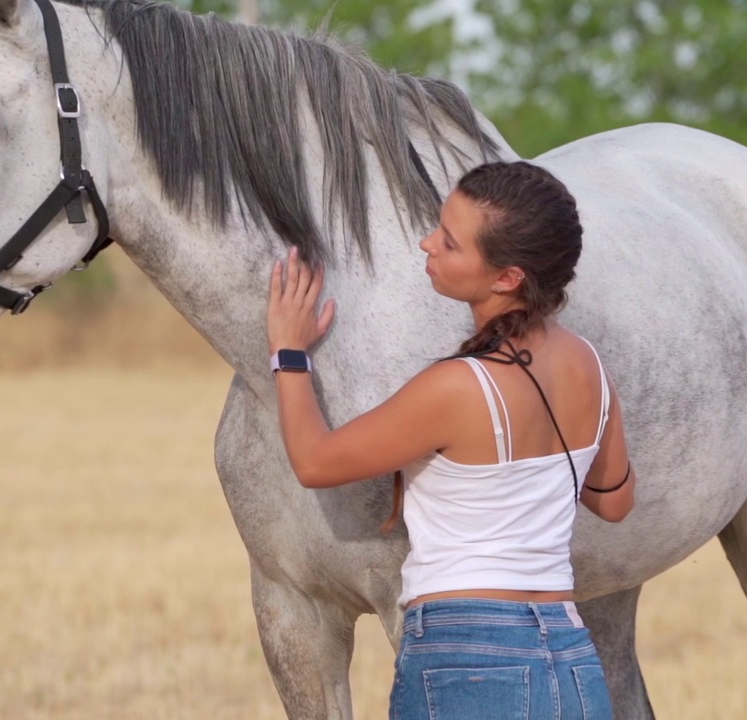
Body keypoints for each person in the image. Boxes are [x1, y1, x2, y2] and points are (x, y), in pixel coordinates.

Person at [266, 161, 635, 720]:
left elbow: (315, 462)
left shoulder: (457, 387)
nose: (426, 243)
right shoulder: (588, 363)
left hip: (468, 658)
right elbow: (614, 500)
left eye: (450, 242)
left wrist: (289, 353)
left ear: (507, 277)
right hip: (571, 656)